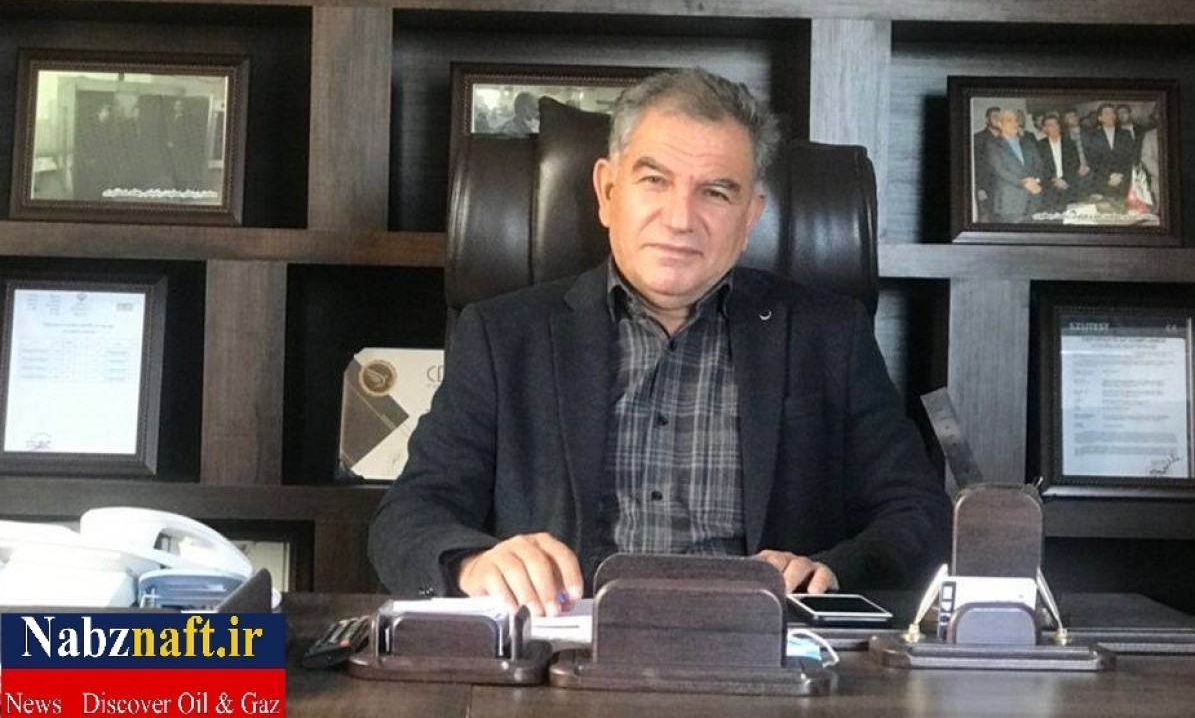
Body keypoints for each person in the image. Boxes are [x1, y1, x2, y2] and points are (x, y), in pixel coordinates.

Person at [369, 68, 951, 616]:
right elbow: (408, 516)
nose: (680, 218)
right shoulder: (503, 337)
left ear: (751, 215)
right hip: (569, 647)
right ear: (607, 191)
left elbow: (919, 516)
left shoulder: (829, 335)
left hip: (763, 647)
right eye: (655, 181)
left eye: (716, 192)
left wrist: (831, 572)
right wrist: (471, 564)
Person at [986, 109, 1044, 222]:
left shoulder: (1028, 142)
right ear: (1000, 124)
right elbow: (1000, 170)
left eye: (1016, 120)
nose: (1015, 124)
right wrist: (1023, 183)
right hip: (1010, 202)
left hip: (1033, 197)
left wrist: (1036, 180)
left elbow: (1039, 164)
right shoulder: (993, 145)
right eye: (1009, 121)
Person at [1085, 102, 1134, 198]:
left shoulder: (1125, 134)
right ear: (1100, 118)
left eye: (1112, 113)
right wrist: (1108, 176)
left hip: (1123, 180)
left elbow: (1130, 157)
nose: (1110, 116)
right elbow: (1092, 161)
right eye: (1106, 113)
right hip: (1102, 181)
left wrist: (1120, 175)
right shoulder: (1092, 136)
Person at [1036, 113, 1081, 212]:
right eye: (1050, 125)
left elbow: (1075, 164)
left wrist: (1065, 180)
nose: (1054, 127)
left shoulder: (1069, 143)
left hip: (1069, 185)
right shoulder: (1039, 146)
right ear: (1045, 129)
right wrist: (1054, 180)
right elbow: (1039, 168)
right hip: (1049, 188)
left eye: (1056, 124)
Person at [972, 106, 1002, 222]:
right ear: (987, 119)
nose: (998, 119)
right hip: (987, 189)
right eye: (994, 117)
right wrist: (979, 188)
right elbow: (975, 166)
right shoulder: (978, 138)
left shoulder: (1007, 138)